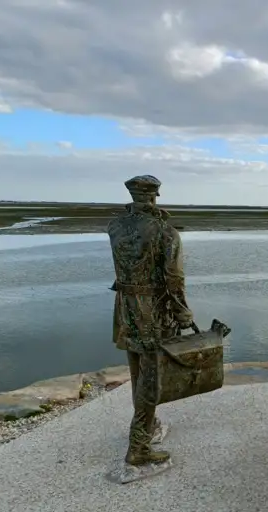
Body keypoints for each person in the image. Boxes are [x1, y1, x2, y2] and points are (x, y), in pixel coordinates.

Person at [107, 174, 195, 468]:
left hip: (125, 308)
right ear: (155, 195)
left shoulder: (114, 226)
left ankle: (149, 424)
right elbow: (174, 279)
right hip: (152, 312)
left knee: (137, 371)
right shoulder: (164, 231)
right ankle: (139, 446)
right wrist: (183, 313)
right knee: (152, 380)